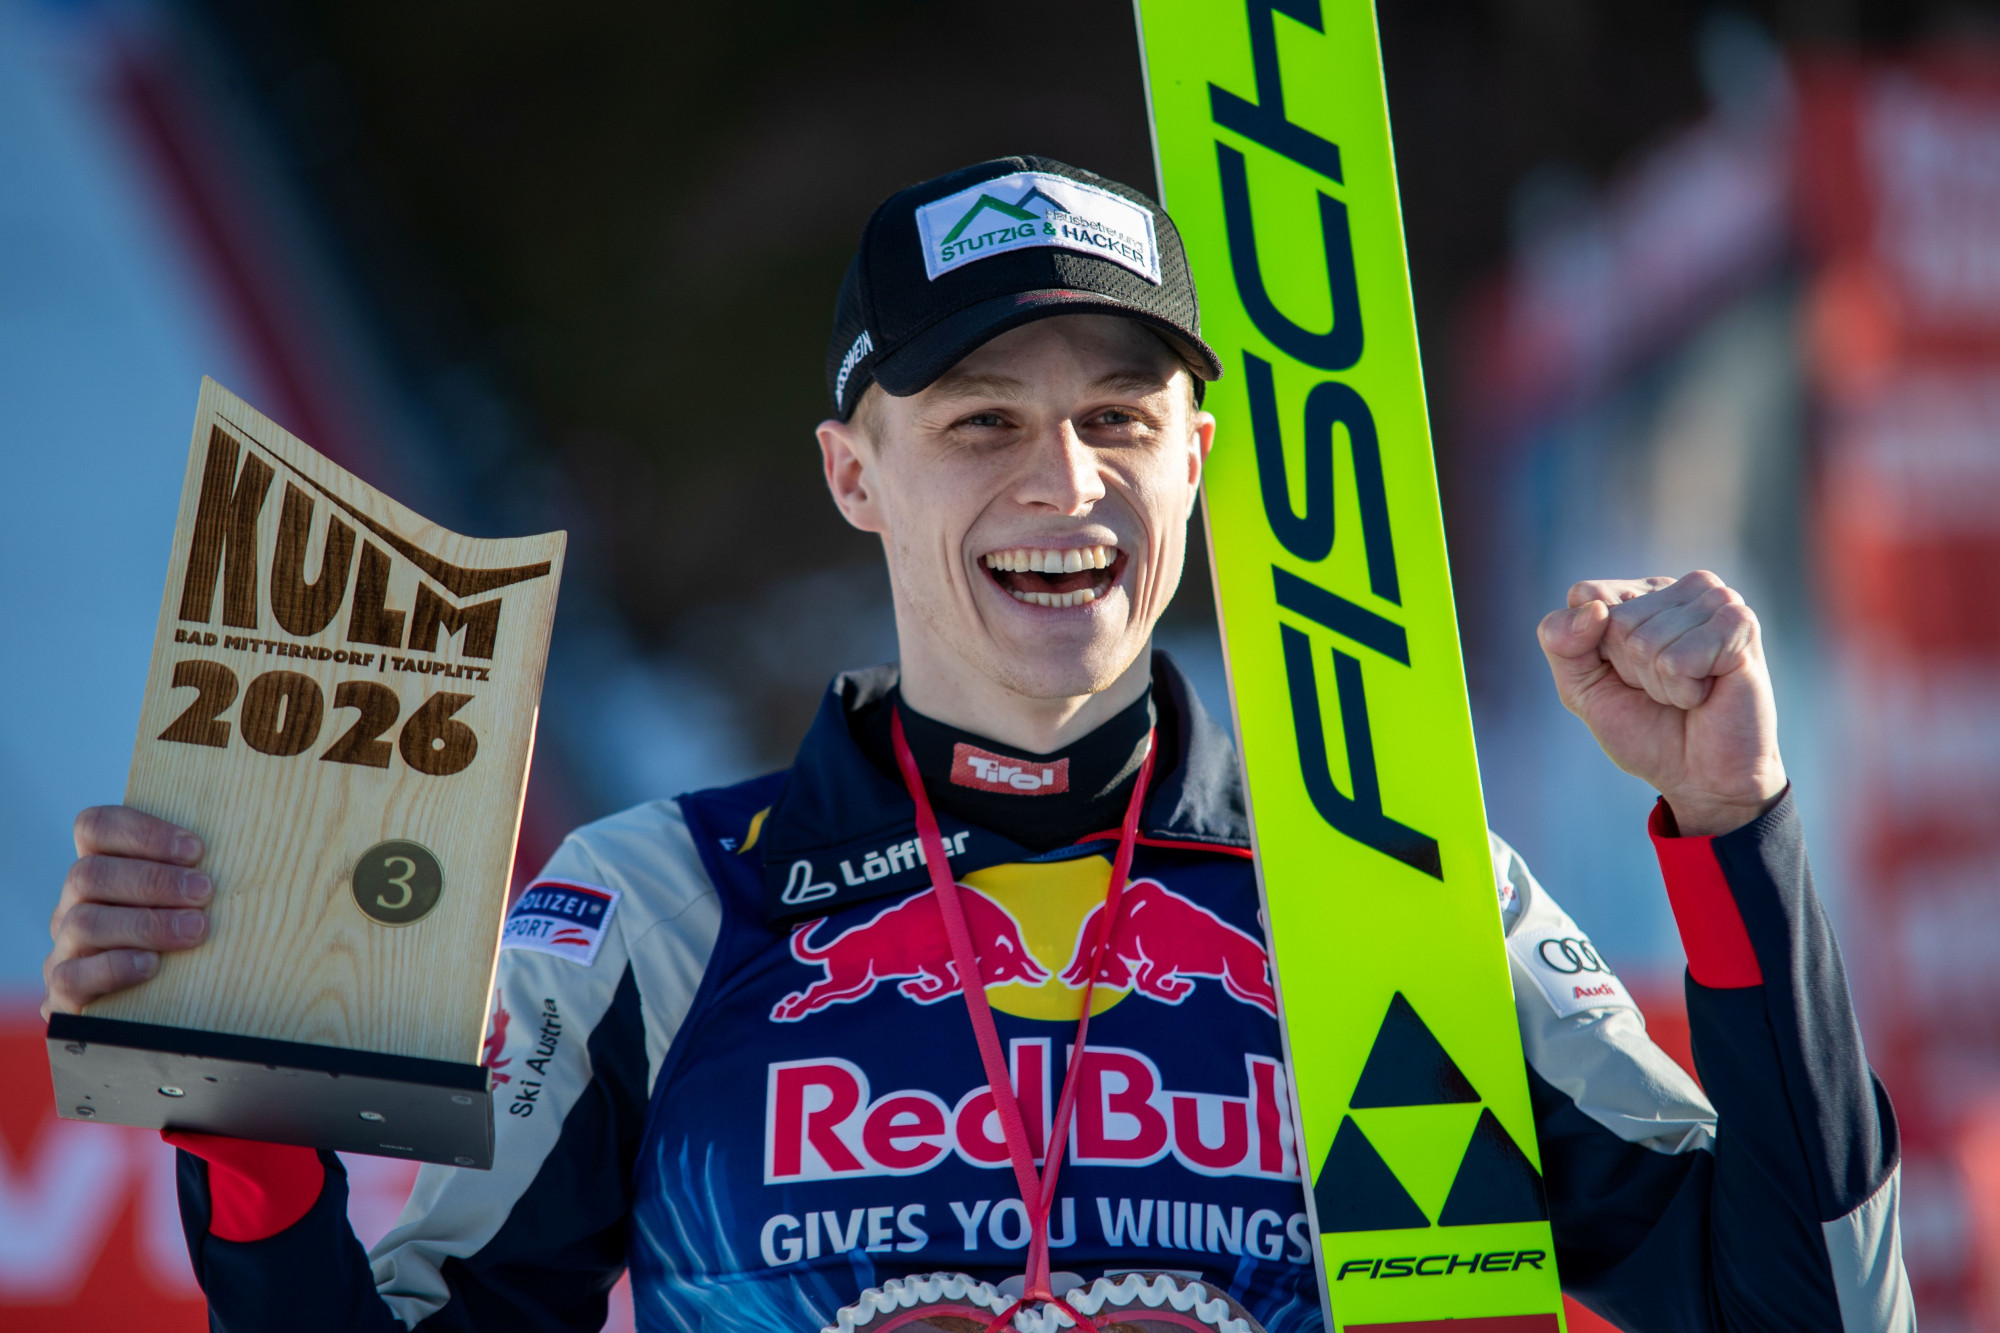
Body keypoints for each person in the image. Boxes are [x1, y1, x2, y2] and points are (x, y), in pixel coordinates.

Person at [42, 157, 1910, 1332]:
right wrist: (249, 1104)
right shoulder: (661, 911)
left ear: (1198, 461)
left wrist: (1732, 828)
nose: (1063, 481)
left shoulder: (1393, 891)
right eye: (981, 421)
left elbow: (1819, 1311)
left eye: (1119, 417)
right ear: (854, 473)